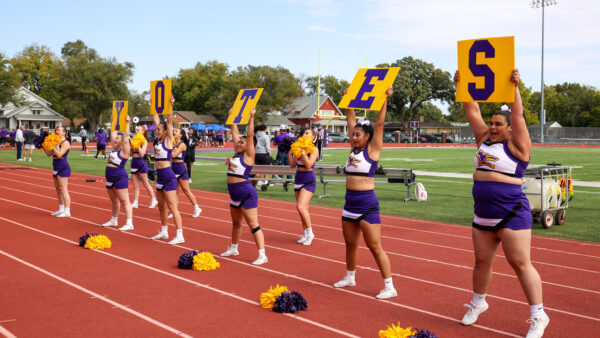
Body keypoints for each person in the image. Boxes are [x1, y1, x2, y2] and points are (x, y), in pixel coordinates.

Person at [455, 69, 549, 338]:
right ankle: (478, 302)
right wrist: (462, 85)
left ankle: (538, 315)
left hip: (511, 213)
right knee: (481, 263)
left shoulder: (518, 147)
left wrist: (515, 88)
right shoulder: (483, 140)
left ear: (509, 128)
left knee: (520, 264)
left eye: (498, 124)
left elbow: (518, 115)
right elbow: (472, 109)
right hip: (482, 214)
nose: (492, 127)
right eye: (492, 123)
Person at [333, 87, 396, 300]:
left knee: (374, 246)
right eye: (352, 134)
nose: (353, 136)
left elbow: (379, 125)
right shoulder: (353, 149)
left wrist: (385, 99)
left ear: (367, 136)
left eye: (357, 134)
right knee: (350, 244)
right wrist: (348, 98)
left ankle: (389, 285)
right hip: (349, 204)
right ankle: (350, 276)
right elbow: (351, 118)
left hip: (367, 204)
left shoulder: (373, 150)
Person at [220, 108, 268, 265]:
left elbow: (249, 134)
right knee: (236, 224)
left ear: (249, 146)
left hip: (246, 194)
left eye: (242, 142)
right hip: (234, 196)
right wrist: (232, 117)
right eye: (238, 142)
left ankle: (262, 254)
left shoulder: (249, 155)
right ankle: (234, 248)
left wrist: (251, 117)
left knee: (253, 225)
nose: (238, 143)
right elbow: (234, 131)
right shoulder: (236, 154)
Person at [149, 96, 185, 245]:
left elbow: (168, 122)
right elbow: (157, 120)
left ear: (165, 131)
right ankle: (164, 231)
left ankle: (180, 234)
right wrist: (152, 106)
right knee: (161, 206)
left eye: (159, 130)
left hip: (169, 176)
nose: (156, 131)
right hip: (160, 177)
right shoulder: (158, 140)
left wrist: (171, 105)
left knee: (172, 207)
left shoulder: (168, 140)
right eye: (156, 129)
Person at [101, 118, 134, 231]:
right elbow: (113, 133)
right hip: (109, 176)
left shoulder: (124, 150)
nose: (115, 139)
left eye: (117, 138)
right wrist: (113, 121)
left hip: (119, 176)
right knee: (114, 201)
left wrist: (127, 123)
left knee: (125, 201)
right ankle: (114, 220)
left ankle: (129, 223)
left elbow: (125, 136)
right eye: (115, 138)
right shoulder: (114, 149)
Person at [288, 128, 319, 245]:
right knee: (303, 210)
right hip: (298, 177)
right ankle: (306, 234)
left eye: (307, 133)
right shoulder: (298, 147)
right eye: (304, 133)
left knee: (300, 207)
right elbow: (292, 165)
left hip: (308, 179)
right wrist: (290, 153)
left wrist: (303, 153)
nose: (304, 135)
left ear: (312, 137)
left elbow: (309, 165)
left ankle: (311, 234)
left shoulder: (314, 149)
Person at [169, 127, 202, 218]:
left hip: (180, 169)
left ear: (180, 135)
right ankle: (174, 210)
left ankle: (197, 208)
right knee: (174, 192)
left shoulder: (182, 144)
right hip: (173, 168)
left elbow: (173, 155)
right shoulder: (172, 143)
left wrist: (168, 148)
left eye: (175, 131)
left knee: (186, 191)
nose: (173, 132)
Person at [44, 126, 71, 218]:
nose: (57, 131)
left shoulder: (65, 142)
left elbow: (59, 155)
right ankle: (61, 209)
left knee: (63, 190)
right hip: (55, 167)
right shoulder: (56, 141)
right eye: (57, 130)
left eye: (59, 130)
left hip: (63, 167)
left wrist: (53, 146)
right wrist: (44, 145)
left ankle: (67, 211)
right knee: (58, 190)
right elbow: (48, 154)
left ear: (64, 133)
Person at [130, 125, 158, 209]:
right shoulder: (134, 139)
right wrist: (130, 145)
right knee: (135, 185)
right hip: (134, 162)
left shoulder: (144, 141)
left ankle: (153, 199)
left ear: (143, 132)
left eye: (138, 130)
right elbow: (131, 154)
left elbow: (142, 153)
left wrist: (137, 145)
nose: (136, 131)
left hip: (140, 163)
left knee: (146, 183)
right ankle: (135, 202)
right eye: (136, 129)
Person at [272, 124, 293, 191]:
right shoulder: (289, 136)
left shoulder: (279, 137)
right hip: (288, 153)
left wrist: (279, 143)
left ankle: (281, 179)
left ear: (281, 130)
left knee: (280, 166)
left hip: (281, 152)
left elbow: (274, 143)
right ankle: (289, 180)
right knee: (288, 166)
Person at [253, 124, 272, 188]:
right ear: (264, 129)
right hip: (264, 154)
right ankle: (266, 182)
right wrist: (269, 153)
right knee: (265, 169)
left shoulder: (255, 135)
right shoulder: (265, 136)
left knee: (258, 169)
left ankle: (258, 181)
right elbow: (267, 146)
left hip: (256, 153)